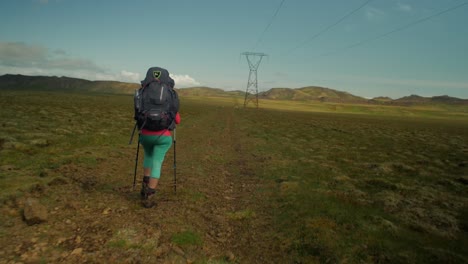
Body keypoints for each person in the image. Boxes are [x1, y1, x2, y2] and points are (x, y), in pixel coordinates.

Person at [138, 67, 180, 208]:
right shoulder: (170, 94)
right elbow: (177, 119)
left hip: (145, 134)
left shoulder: (142, 91)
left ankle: (144, 187)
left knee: (148, 156)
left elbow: (136, 113)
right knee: (157, 161)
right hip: (163, 136)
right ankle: (150, 195)